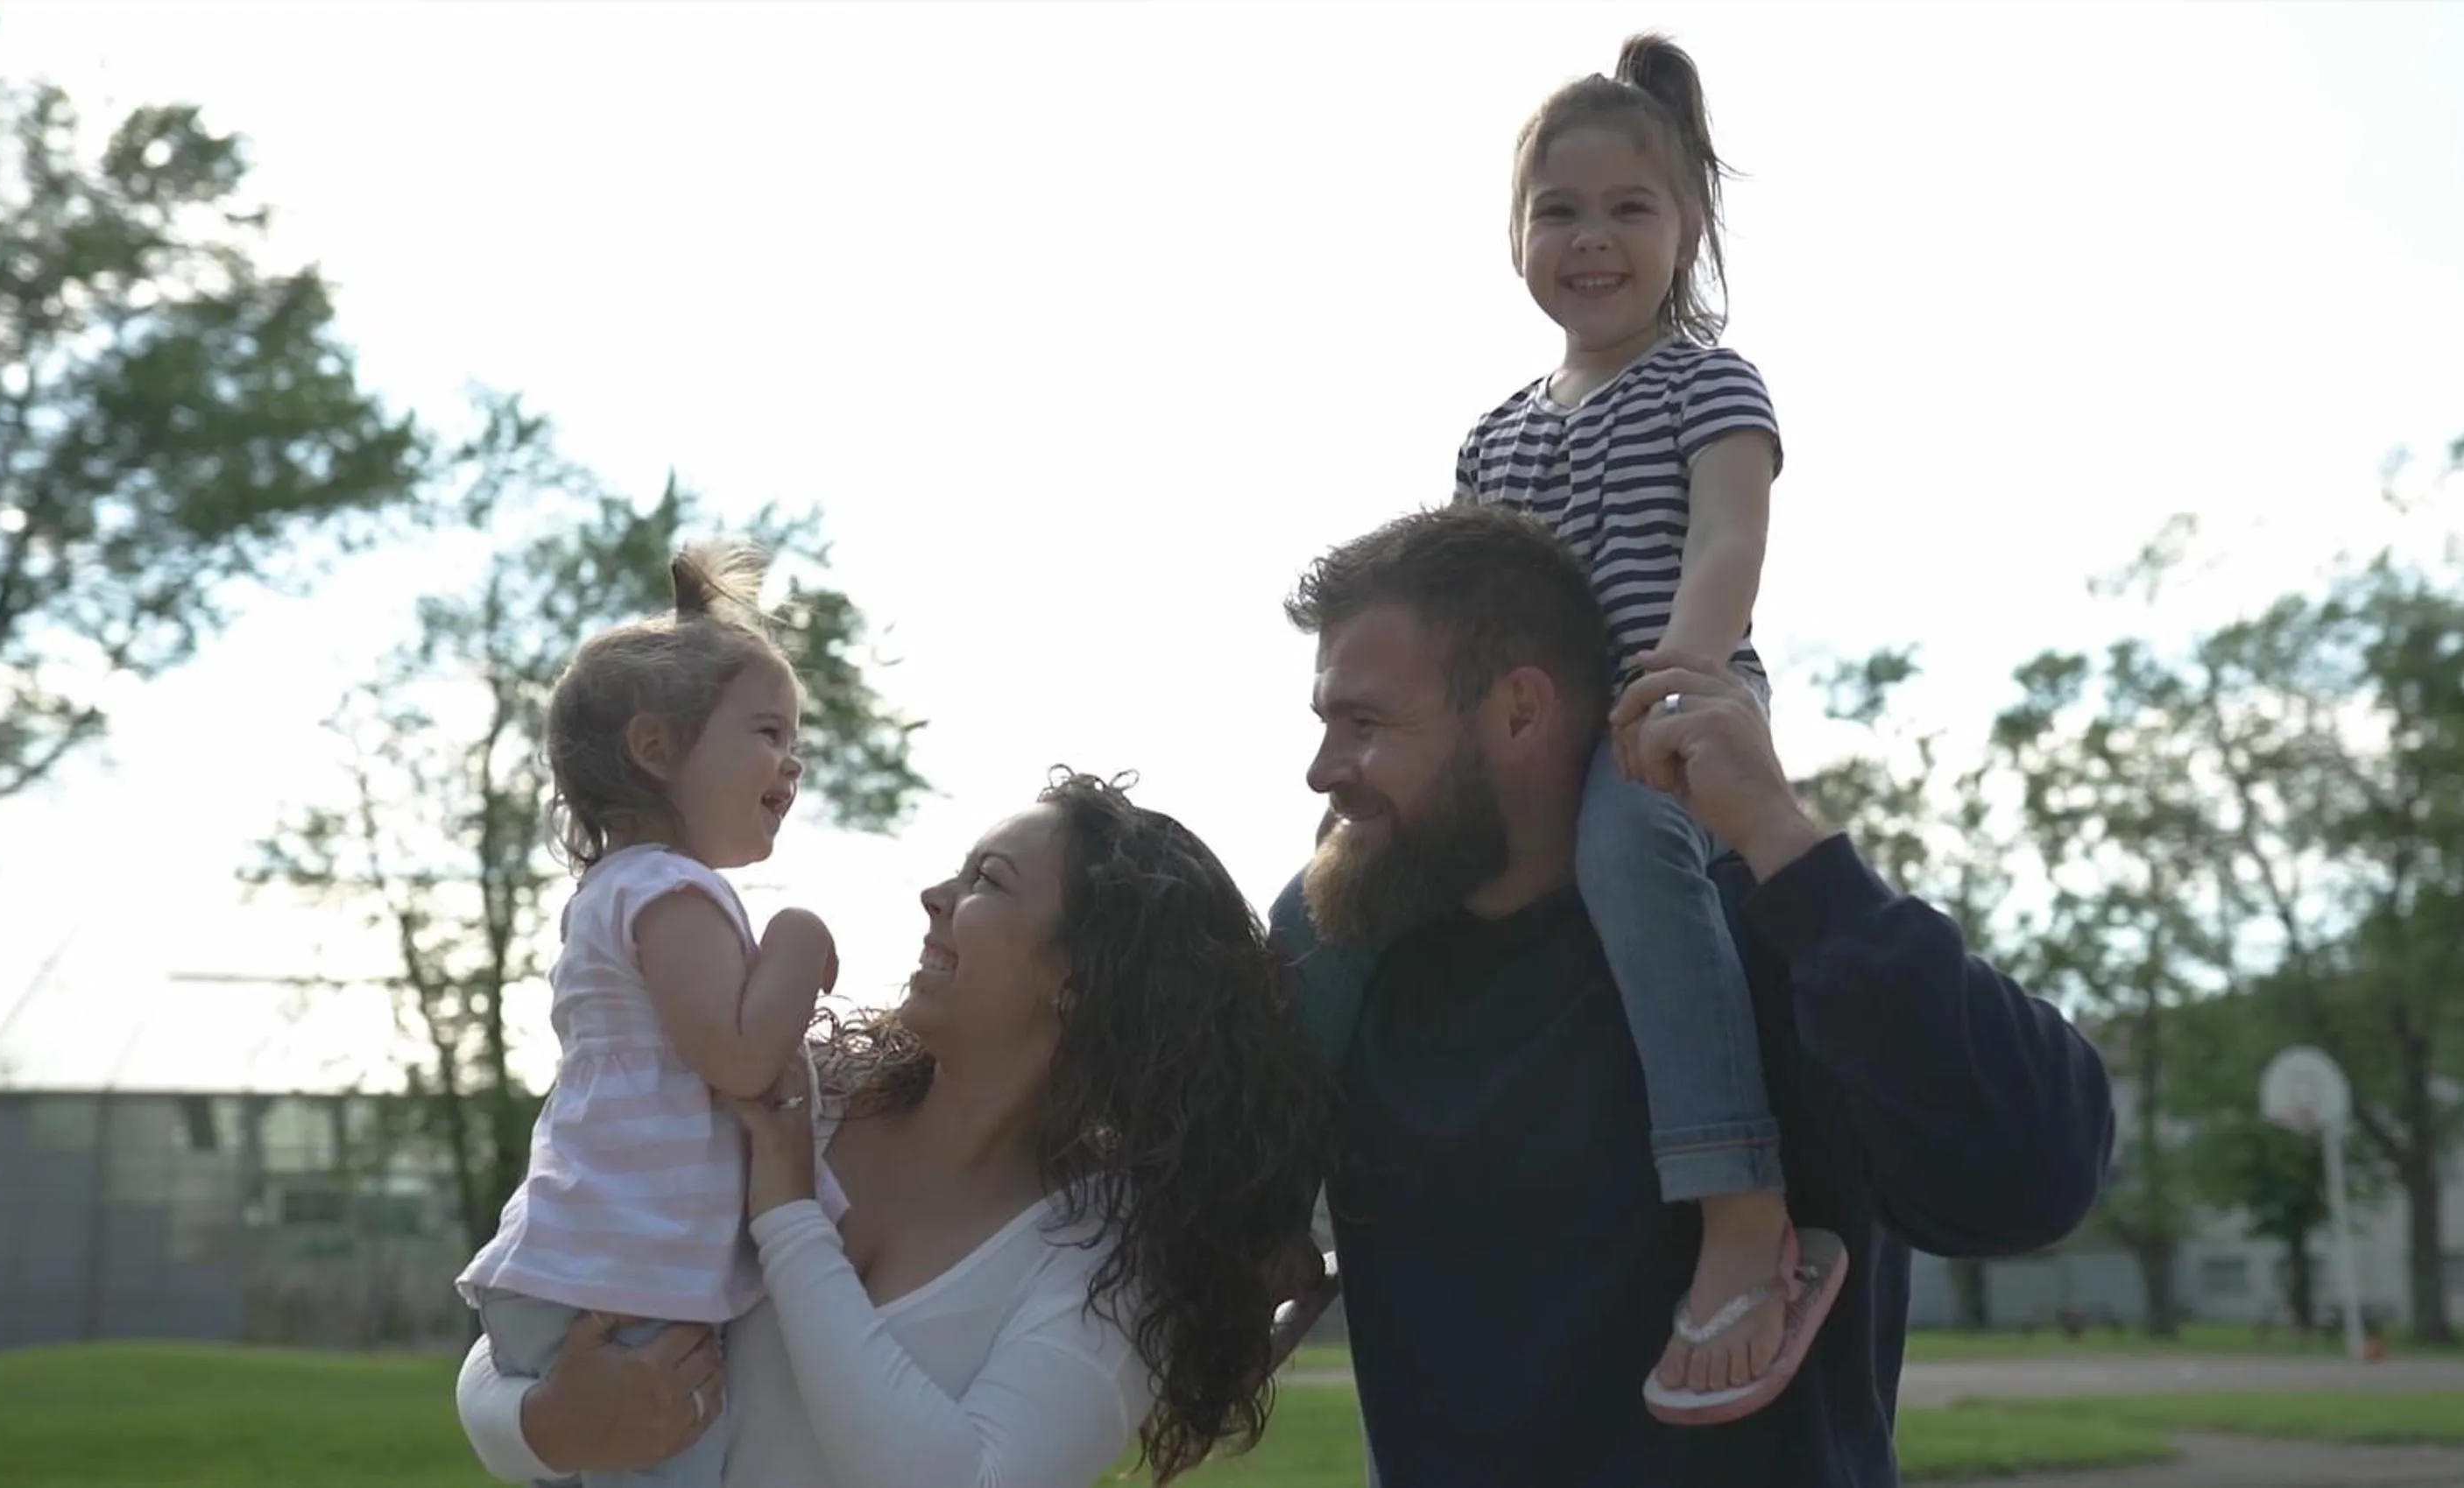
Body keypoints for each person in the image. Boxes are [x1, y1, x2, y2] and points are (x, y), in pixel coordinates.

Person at [1270, 504, 2112, 1485]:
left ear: (1520, 712)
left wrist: (1786, 842)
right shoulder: (1359, 981)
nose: (1323, 772)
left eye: (1363, 724)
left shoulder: (1766, 943)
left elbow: (2029, 1177)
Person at [1274, 32, 1827, 1421]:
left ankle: (1739, 1201)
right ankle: (1264, 1199)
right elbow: (1457, 607)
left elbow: (1728, 542)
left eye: (1628, 210)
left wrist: (1680, 677)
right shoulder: (1496, 431)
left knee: (1635, 855)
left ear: (1685, 224)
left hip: (1673, 708)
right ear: (1517, 235)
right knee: (1319, 900)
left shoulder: (1711, 381)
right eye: (1560, 211)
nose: (1592, 240)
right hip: (1514, 727)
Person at [456, 771, 1333, 1488]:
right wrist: (547, 1425)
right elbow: (523, 1319)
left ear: (1079, 980)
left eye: (987, 882)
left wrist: (791, 1217)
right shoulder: (786, 1090)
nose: (934, 896)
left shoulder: (1112, 1256)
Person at [455, 539, 848, 1488]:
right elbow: (741, 1059)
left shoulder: (617, 889)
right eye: (765, 732)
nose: (791, 762)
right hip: (632, 1280)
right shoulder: (673, 892)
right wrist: (798, 937)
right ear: (656, 748)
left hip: (593, 1266)